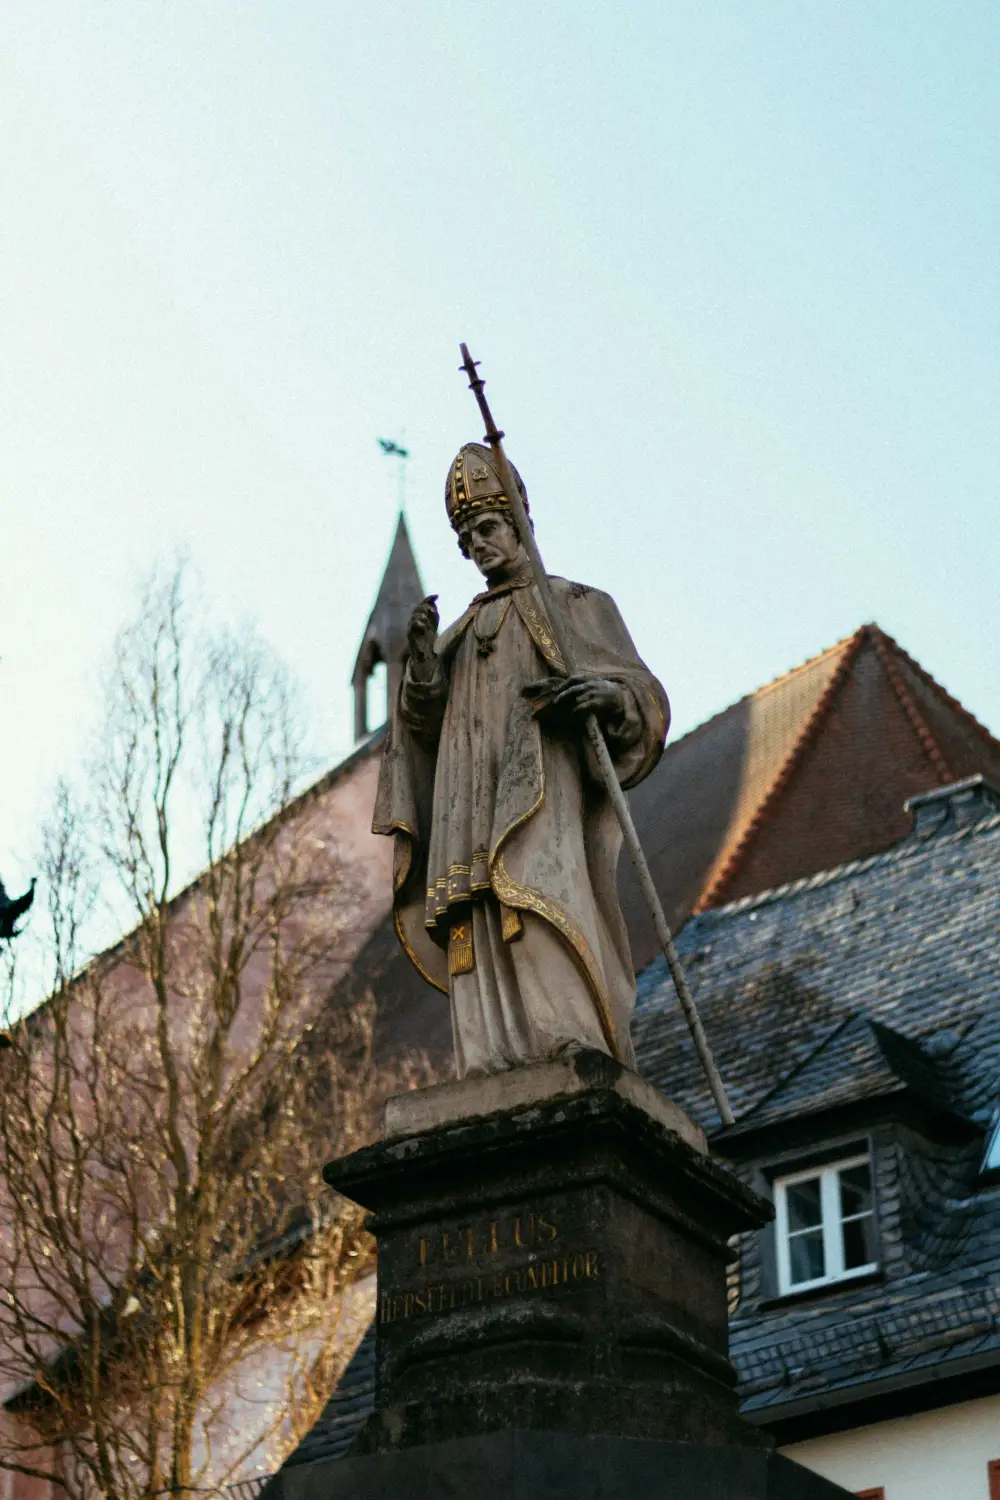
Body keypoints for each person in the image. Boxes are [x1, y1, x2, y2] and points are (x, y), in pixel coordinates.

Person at [373, 443, 669, 1077]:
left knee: (537, 898)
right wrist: (423, 660)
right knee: (473, 916)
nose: (477, 545)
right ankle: (488, 1053)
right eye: (466, 538)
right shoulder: (461, 630)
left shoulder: (574, 605)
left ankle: (567, 1034)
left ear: (519, 525)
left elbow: (641, 693)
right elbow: (421, 725)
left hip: (538, 792)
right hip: (465, 802)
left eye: (487, 528)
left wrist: (607, 696)